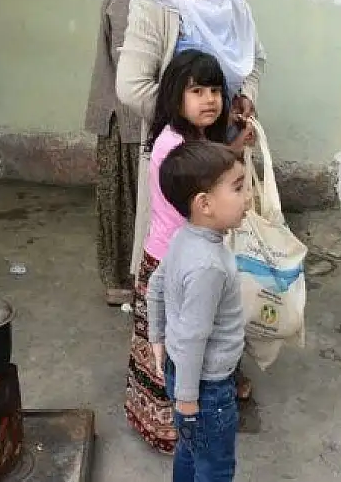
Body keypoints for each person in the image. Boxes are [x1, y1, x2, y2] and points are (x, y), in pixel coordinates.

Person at [116, 0, 265, 408]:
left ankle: (222, 369)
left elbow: (253, 61)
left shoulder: (235, 7)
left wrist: (244, 99)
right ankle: (169, 394)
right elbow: (131, 85)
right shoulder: (156, 6)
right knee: (173, 271)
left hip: (223, 158)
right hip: (179, 165)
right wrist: (192, 115)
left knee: (221, 268)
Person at [124, 49, 254, 454]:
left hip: (181, 255)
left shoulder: (193, 138)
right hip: (172, 260)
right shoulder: (171, 147)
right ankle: (176, 425)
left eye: (215, 89)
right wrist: (234, 151)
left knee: (183, 341)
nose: (210, 99)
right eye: (197, 90)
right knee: (179, 343)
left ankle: (185, 418)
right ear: (175, 96)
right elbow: (198, 195)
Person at [84, 0, 174, 307]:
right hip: (124, 118)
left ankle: (135, 276)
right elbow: (129, 61)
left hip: (136, 116)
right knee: (122, 202)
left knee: (137, 201)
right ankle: (119, 280)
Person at [146, 140, 249, 481]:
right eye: (237, 188)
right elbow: (192, 338)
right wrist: (189, 401)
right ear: (204, 204)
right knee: (215, 468)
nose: (247, 197)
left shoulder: (181, 238)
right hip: (208, 390)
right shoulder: (210, 266)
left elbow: (155, 286)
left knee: (190, 453)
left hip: (183, 375)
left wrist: (157, 337)